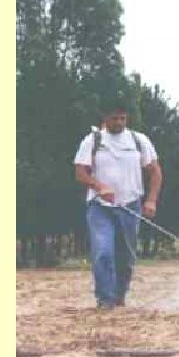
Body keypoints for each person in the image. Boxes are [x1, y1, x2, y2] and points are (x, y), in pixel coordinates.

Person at [74, 107, 163, 309]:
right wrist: (99, 187)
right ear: (105, 118)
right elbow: (80, 173)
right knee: (103, 252)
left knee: (126, 257)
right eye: (114, 118)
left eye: (123, 118)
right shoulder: (92, 141)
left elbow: (155, 172)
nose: (119, 122)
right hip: (100, 207)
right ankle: (105, 300)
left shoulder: (139, 141)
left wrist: (151, 200)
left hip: (130, 205)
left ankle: (120, 295)